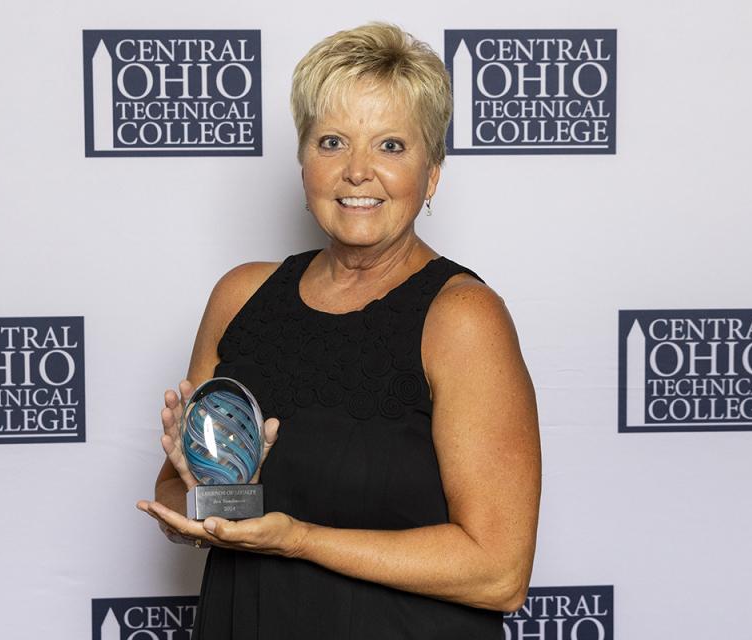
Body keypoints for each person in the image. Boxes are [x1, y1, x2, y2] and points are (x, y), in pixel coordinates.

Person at [137, 23, 541, 639]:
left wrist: (299, 540)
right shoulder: (240, 296)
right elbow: (180, 495)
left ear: (431, 176)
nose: (357, 171)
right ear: (303, 164)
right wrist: (191, 495)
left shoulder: (462, 318)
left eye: (390, 146)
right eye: (332, 142)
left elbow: (499, 572)